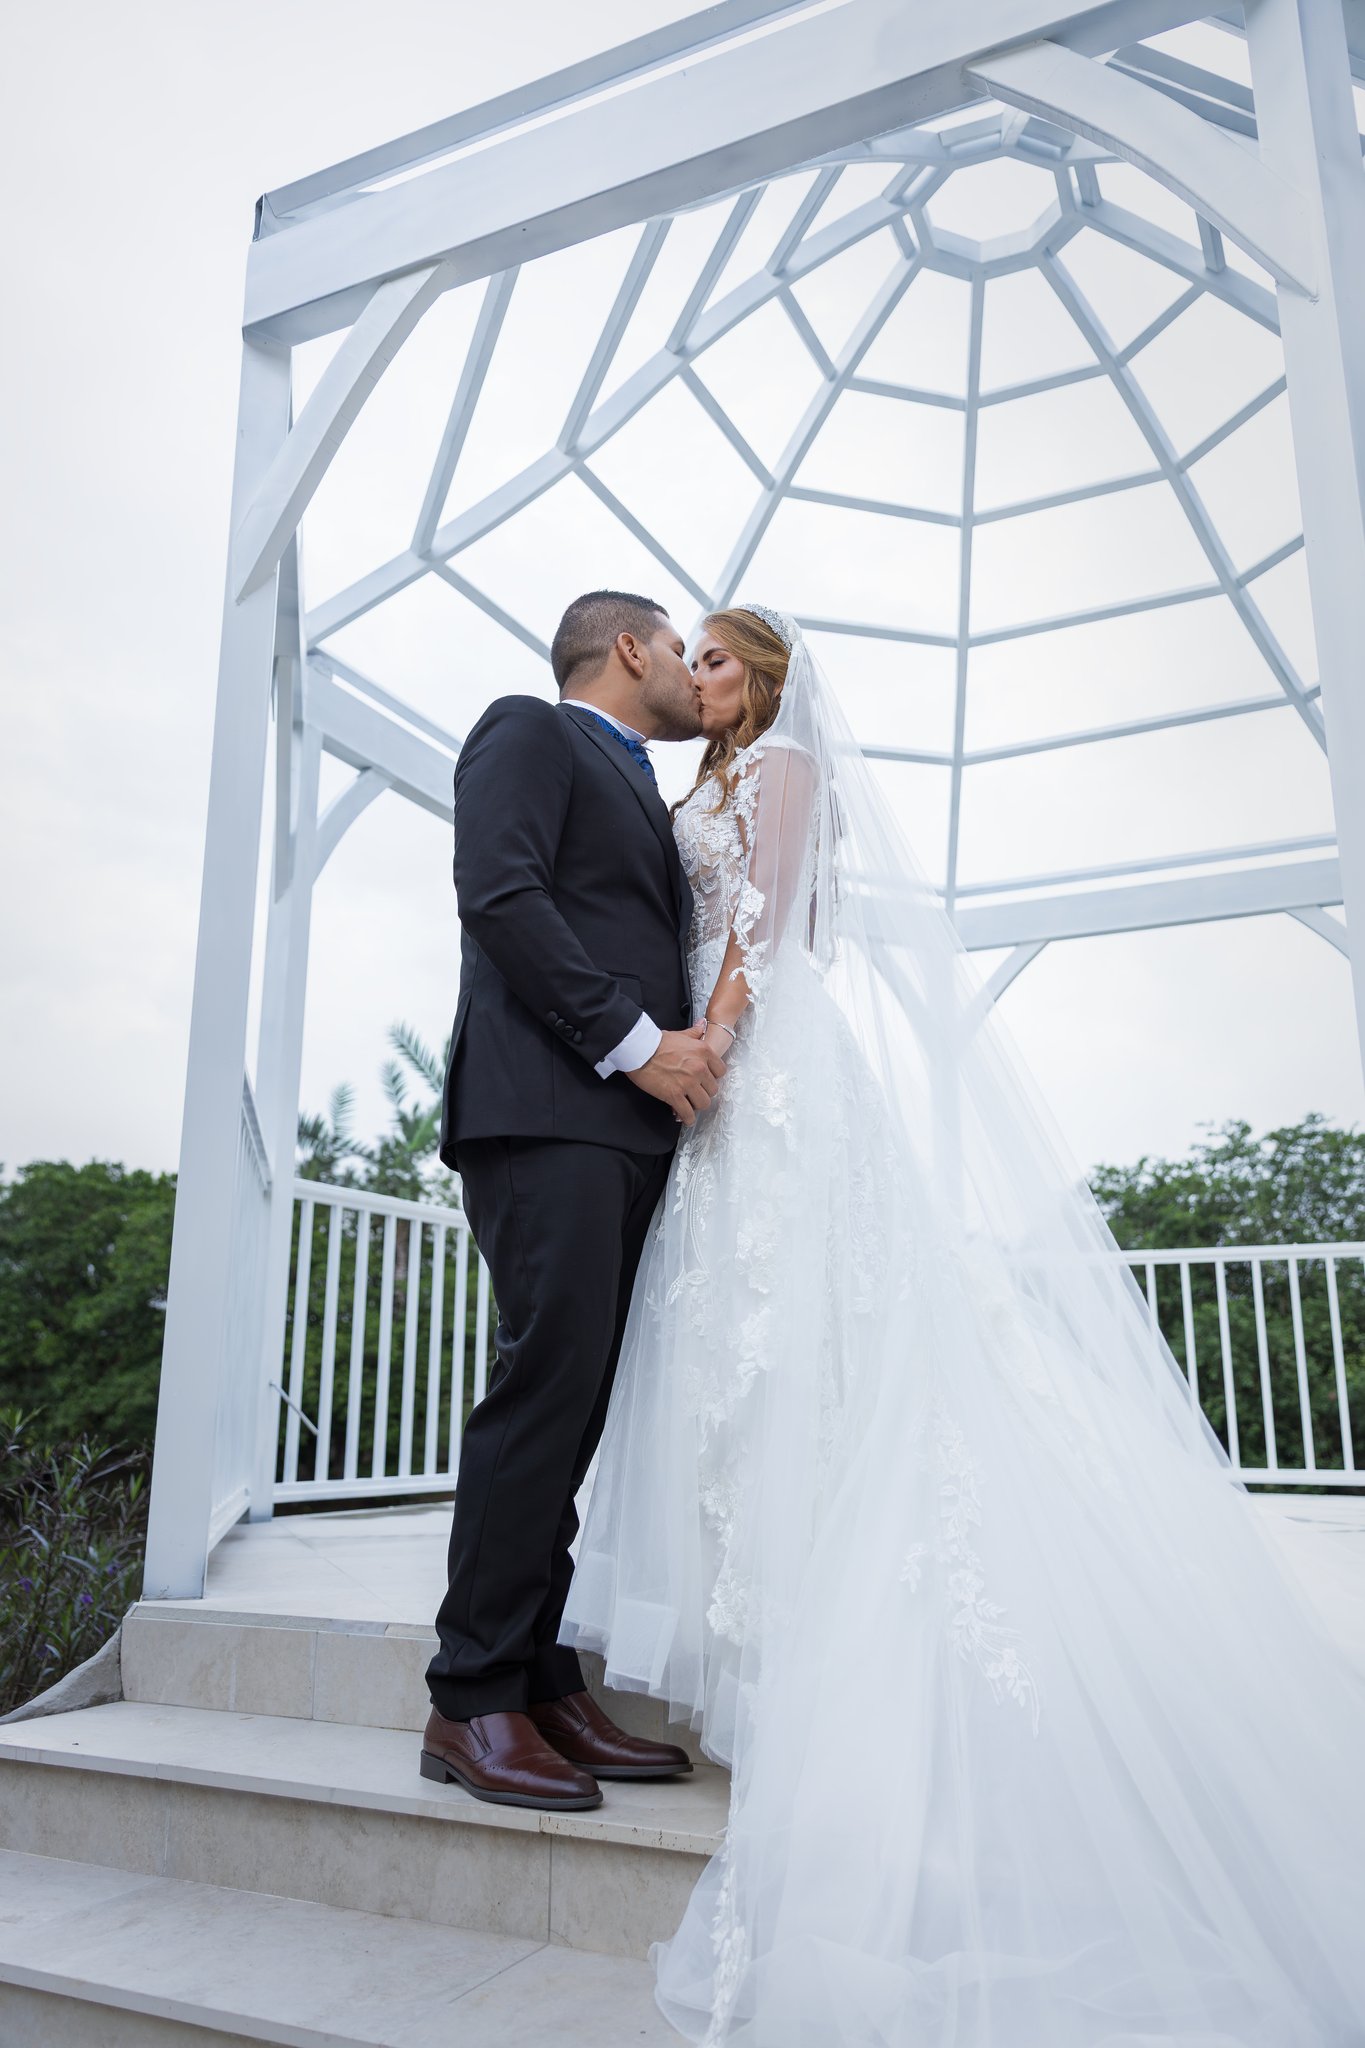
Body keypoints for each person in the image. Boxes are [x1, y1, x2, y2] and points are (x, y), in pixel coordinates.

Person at [561, 603, 1365, 2043]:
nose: (701, 674)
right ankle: (762, 1630)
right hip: (713, 1079)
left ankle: (826, 1642)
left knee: (819, 1331)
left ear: (769, 678)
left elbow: (766, 923)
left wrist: (715, 1046)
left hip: (766, 1064)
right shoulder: (701, 784)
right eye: (694, 656)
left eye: (722, 658)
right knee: (740, 1343)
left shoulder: (784, 768)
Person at [421, 589, 728, 1812]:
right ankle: (469, 1694)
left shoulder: (646, 788)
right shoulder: (527, 729)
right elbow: (501, 897)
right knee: (543, 1388)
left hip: (625, 1130)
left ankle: (541, 1677)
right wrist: (638, 1043)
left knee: (581, 1407)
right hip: (548, 1107)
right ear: (629, 647)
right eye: (681, 649)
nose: (693, 673)